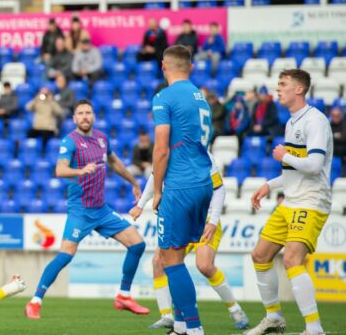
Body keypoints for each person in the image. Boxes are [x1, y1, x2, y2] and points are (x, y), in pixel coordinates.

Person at [25, 99, 149, 319]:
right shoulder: (70, 141)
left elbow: (114, 162)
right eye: (80, 113)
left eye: (88, 112)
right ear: (74, 118)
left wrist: (134, 182)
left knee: (138, 245)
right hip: (80, 210)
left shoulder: (102, 138)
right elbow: (60, 170)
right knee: (65, 256)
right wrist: (81, 171)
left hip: (101, 209)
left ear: (93, 116)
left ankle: (124, 295)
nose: (84, 116)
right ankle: (35, 301)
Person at [246, 69, 333, 335]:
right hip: (291, 200)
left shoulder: (315, 121)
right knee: (260, 255)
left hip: (311, 200)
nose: (278, 88)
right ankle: (273, 317)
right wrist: (269, 185)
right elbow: (295, 169)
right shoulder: (292, 122)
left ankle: (314, 328)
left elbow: (315, 165)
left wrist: (285, 156)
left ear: (299, 89)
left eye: (283, 84)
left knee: (293, 260)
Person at [133, 154, 249, 330]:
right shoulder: (166, 151)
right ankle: (167, 316)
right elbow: (154, 176)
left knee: (204, 265)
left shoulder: (202, 153)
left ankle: (235, 310)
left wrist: (213, 221)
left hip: (205, 218)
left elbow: (219, 188)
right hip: (180, 217)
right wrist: (141, 204)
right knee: (158, 262)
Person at [145, 45, 214, 335]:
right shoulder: (202, 98)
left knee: (168, 258)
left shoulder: (164, 97)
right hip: (203, 181)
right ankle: (182, 326)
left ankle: (195, 330)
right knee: (178, 256)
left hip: (180, 184)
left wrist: (157, 190)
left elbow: (161, 149)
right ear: (191, 68)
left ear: (164, 66)